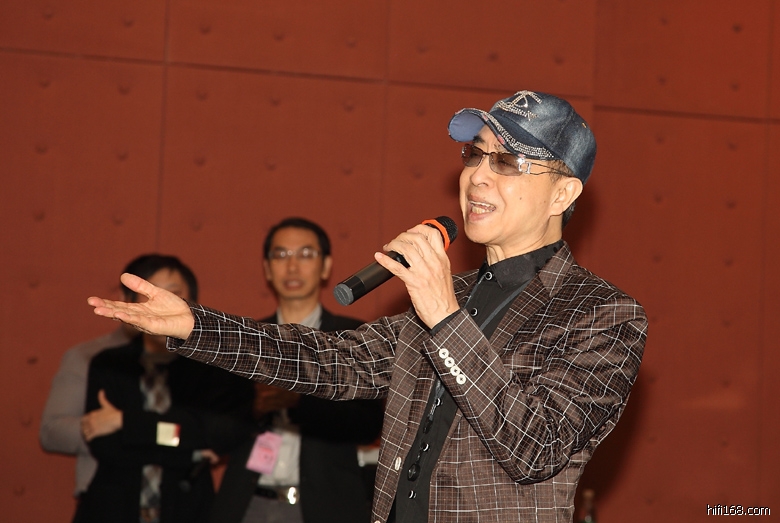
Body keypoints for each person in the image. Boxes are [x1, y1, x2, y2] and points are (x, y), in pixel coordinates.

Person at [88, 90, 648, 523]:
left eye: (507, 162)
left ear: (563, 193)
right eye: (475, 155)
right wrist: (195, 325)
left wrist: (445, 318)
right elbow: (330, 361)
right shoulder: (454, 294)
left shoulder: (603, 314)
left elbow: (535, 446)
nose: (477, 175)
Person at [209, 217, 384, 523]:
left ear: (326, 266)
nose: (292, 267)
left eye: (305, 254)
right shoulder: (247, 338)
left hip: (325, 507)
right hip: (248, 504)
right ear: (267, 269)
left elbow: (368, 424)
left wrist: (299, 401)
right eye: (281, 255)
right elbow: (215, 431)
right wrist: (255, 407)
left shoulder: (352, 337)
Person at [79, 255, 255, 523]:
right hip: (113, 509)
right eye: (149, 293)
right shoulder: (110, 364)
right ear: (130, 301)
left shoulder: (214, 366)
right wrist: (190, 452)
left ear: (191, 302)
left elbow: (216, 433)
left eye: (172, 293)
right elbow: (105, 445)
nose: (159, 305)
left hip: (189, 509)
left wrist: (126, 422)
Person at [40, 255, 154, 512]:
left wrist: (131, 426)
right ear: (126, 298)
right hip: (107, 498)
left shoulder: (194, 364)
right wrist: (105, 430)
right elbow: (52, 431)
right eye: (149, 294)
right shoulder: (89, 356)